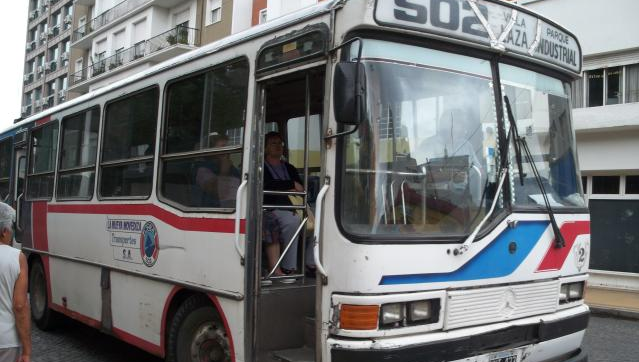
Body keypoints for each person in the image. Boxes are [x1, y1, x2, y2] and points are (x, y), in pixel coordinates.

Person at [262, 132, 304, 276]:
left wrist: (289, 186)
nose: (278, 146)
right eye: (273, 143)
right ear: (266, 147)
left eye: (280, 143)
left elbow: (301, 187)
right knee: (293, 221)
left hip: (295, 205)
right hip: (272, 206)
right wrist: (290, 185)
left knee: (318, 219)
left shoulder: (289, 167)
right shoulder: (262, 167)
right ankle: (288, 267)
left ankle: (310, 263)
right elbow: (268, 185)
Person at [0, 203, 30, 362]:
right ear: (4, 231)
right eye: (11, 229)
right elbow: (20, 306)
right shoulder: (17, 258)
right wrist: (26, 350)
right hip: (5, 340)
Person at [193, 135, 241, 208]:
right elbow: (216, 192)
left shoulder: (233, 169)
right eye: (223, 146)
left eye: (228, 147)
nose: (227, 150)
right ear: (211, 150)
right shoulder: (203, 170)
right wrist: (224, 171)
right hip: (216, 210)